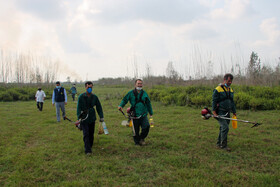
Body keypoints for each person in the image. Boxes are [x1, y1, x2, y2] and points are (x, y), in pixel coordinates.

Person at [118, 79, 153, 146]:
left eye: (141, 84)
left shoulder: (145, 93)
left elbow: (148, 103)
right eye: (138, 83)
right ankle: (137, 142)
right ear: (135, 84)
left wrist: (151, 112)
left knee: (146, 126)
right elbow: (125, 100)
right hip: (134, 115)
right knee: (135, 130)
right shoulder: (130, 93)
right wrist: (120, 106)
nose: (140, 85)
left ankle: (141, 138)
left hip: (143, 114)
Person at [77, 81, 104, 155]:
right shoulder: (81, 97)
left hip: (92, 117)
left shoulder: (94, 97)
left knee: (91, 133)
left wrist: (101, 116)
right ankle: (87, 150)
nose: (90, 89)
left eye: (91, 87)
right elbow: (78, 108)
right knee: (86, 133)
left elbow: (99, 107)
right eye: (88, 87)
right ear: (85, 87)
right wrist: (79, 118)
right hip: (84, 117)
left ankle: (90, 145)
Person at [212, 73, 237, 151]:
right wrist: (214, 112)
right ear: (224, 80)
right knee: (225, 127)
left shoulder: (231, 90)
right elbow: (214, 101)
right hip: (220, 112)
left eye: (231, 81)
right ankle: (223, 146)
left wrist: (234, 111)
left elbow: (232, 102)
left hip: (228, 112)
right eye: (229, 81)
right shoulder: (217, 89)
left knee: (222, 128)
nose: (230, 83)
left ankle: (219, 143)